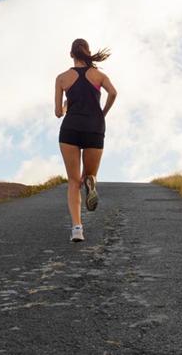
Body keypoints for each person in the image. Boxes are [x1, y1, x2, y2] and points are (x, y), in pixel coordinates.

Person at [54, 38, 117, 242]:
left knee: (73, 182)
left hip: (70, 129)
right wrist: (102, 113)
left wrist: (65, 106)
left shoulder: (62, 78)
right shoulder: (99, 75)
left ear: (71, 54)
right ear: (87, 53)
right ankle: (90, 182)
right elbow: (113, 93)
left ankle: (77, 229)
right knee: (89, 175)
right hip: (94, 128)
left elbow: (58, 113)